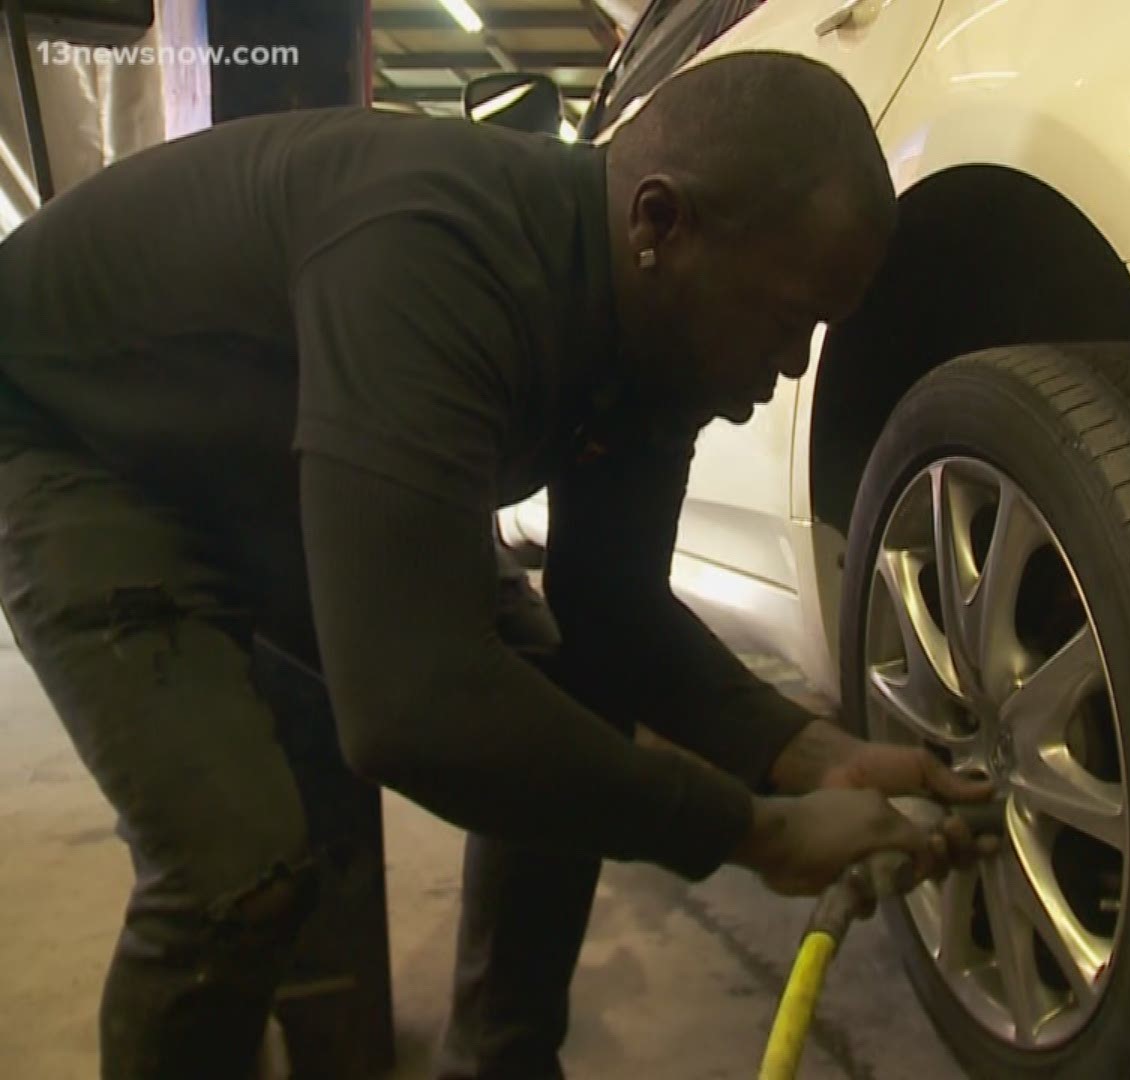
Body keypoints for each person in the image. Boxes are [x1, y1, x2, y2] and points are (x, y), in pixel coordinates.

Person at [0, 51, 989, 1079]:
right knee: (234, 871)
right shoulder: (437, 253)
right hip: (69, 435)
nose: (791, 369)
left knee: (561, 698)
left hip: (248, 441)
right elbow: (409, 712)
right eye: (787, 321)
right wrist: (756, 832)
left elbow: (612, 613)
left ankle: (504, 1063)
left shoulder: (660, 332)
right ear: (661, 224)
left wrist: (807, 752)